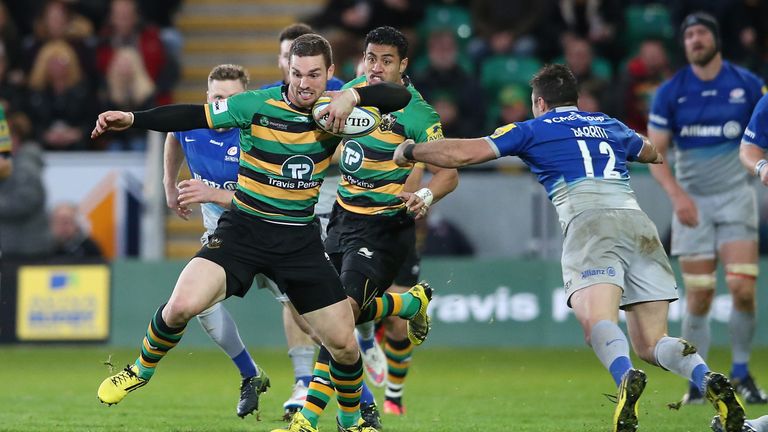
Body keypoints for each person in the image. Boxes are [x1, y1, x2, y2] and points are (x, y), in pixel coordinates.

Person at [392, 63, 748, 432]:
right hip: (638, 223)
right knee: (652, 340)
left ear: (540, 103)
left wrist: (413, 150)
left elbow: (465, 154)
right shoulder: (608, 123)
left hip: (589, 222)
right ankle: (706, 379)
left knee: (597, 322)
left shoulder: (532, 129)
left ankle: (625, 377)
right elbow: (651, 152)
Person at [92, 33, 416, 432]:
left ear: (330, 74)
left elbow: (398, 99)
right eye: (297, 73)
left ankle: (350, 422)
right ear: (287, 72)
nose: (303, 83)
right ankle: (139, 369)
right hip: (243, 231)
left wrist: (353, 97)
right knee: (181, 306)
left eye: (314, 74)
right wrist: (135, 119)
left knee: (345, 346)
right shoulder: (257, 104)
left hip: (299, 242)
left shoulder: (337, 111)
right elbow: (192, 116)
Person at [277, 26, 458, 432]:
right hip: (341, 219)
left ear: (404, 65)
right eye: (371, 58)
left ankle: (308, 419)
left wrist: (424, 198)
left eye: (387, 60)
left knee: (339, 317)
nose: (376, 68)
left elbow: (449, 173)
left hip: (384, 228)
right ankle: (408, 305)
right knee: (327, 315)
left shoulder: (418, 112)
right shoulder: (352, 92)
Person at [647, 12, 767, 405]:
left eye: (701, 34)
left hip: (736, 197)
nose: (694, 40)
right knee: (698, 296)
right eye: (688, 36)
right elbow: (655, 154)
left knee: (741, 289)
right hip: (693, 202)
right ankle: (698, 381)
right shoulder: (670, 92)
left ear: (715, 39)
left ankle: (742, 372)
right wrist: (677, 197)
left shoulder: (747, 85)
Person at [162, 63, 270, 418]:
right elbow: (173, 134)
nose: (224, 106)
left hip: (272, 235)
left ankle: (358, 399)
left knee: (311, 319)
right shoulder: (193, 123)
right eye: (217, 98)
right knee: (200, 305)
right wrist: (168, 185)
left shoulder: (261, 132)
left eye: (233, 99)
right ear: (207, 99)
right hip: (224, 240)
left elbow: (266, 196)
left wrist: (211, 192)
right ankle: (250, 374)